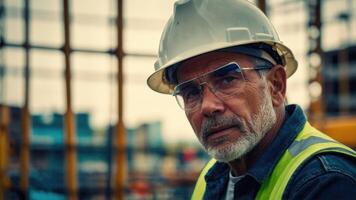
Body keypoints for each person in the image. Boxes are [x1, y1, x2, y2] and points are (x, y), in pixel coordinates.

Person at [146, 0, 356, 199]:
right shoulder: (211, 176)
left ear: (275, 85)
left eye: (227, 79)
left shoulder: (326, 182)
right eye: (191, 92)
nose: (208, 106)